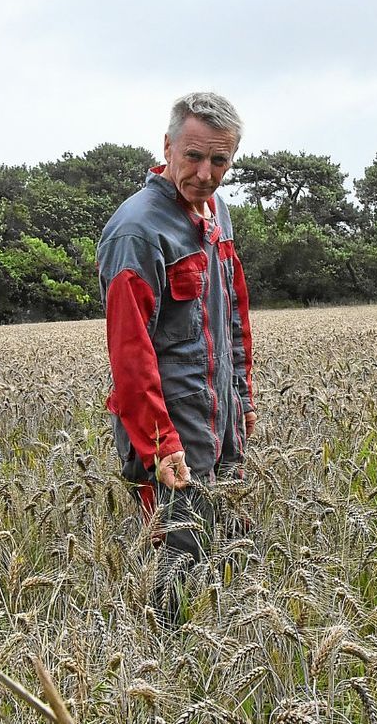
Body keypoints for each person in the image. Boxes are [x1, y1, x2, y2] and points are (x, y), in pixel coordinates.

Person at [96, 91, 256, 623]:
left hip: (222, 416)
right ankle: (165, 662)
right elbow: (130, 353)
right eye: (193, 156)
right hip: (172, 425)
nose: (206, 172)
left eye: (220, 161)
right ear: (167, 147)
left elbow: (233, 309)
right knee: (180, 554)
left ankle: (224, 652)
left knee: (228, 538)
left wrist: (244, 399)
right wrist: (160, 444)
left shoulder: (217, 213)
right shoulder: (136, 231)